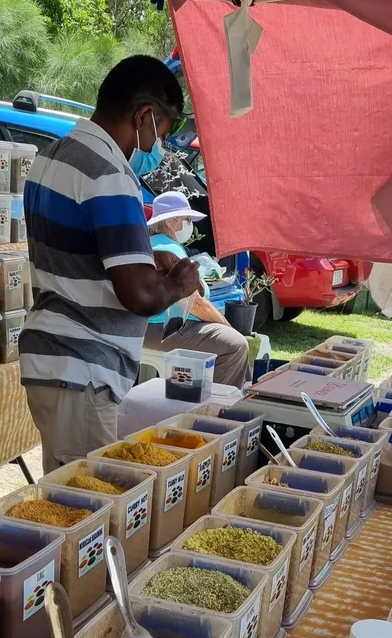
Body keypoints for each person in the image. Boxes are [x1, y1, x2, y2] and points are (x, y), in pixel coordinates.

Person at [20, 56, 200, 473]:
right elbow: (139, 294)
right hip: (82, 368)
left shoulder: (52, 157)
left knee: (68, 501)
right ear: (144, 116)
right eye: (164, 136)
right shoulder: (109, 174)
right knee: (87, 512)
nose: (159, 150)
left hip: (54, 360)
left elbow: (76, 252)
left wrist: (141, 257)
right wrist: (180, 282)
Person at [142, 190, 250, 387]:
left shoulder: (152, 244)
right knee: (236, 344)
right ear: (170, 222)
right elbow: (195, 304)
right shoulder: (171, 251)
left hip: (151, 326)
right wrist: (225, 325)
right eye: (186, 219)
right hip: (164, 329)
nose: (189, 225)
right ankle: (218, 407)